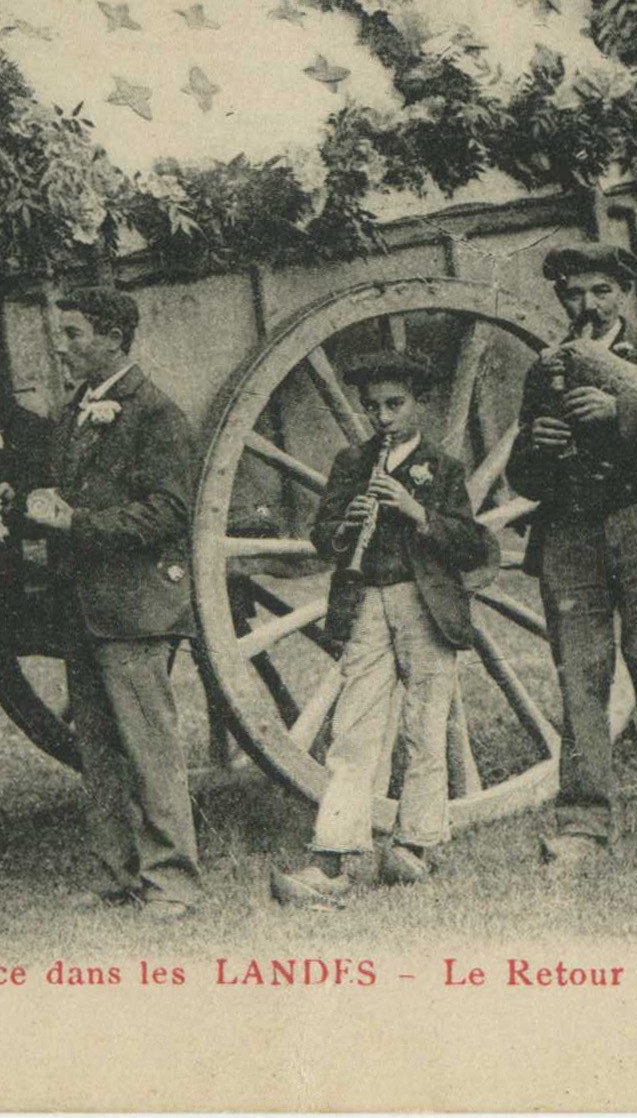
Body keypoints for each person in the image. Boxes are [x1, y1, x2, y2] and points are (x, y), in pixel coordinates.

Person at [0, 286, 203, 920]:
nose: (61, 345)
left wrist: (77, 524)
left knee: (148, 749)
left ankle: (174, 882)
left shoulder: (154, 414)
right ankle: (115, 875)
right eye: (61, 333)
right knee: (100, 751)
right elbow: (56, 504)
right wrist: (14, 510)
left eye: (73, 335)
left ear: (114, 339)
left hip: (133, 609)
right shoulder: (81, 409)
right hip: (86, 607)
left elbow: (168, 513)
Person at [504, 243, 637, 868]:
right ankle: (582, 823)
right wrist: (538, 445)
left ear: (623, 293)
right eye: (574, 294)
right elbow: (523, 477)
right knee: (580, 677)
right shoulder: (547, 367)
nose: (588, 305)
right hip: (570, 537)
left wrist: (620, 410)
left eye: (600, 291)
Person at [271, 351, 496, 908]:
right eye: (373, 407)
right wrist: (345, 525)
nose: (384, 418)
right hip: (367, 600)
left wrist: (417, 512)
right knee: (353, 730)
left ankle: (414, 846)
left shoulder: (442, 468)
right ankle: (333, 855)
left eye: (395, 406)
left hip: (424, 605)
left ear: (418, 405)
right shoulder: (352, 463)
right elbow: (322, 537)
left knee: (426, 723)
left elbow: (469, 544)